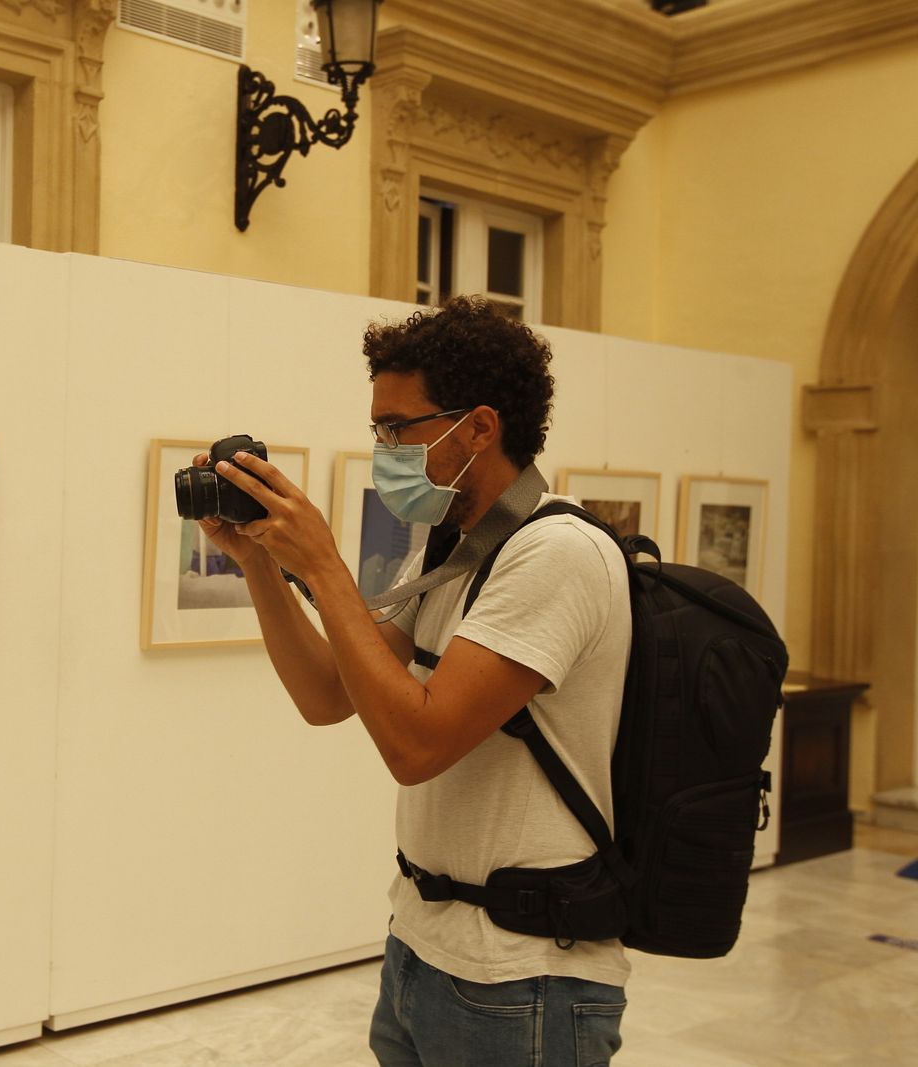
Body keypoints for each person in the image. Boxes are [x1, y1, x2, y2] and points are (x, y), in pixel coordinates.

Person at [196, 296, 632, 1066]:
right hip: (422, 945)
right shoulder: (449, 548)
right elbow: (328, 694)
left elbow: (417, 743)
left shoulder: (556, 553)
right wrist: (261, 560)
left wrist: (326, 563)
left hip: (522, 976)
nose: (383, 448)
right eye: (378, 430)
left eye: (399, 428)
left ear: (479, 427)